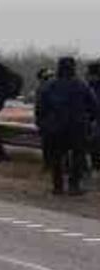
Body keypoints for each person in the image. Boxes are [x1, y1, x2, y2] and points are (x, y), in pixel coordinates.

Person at [36, 57, 98, 196]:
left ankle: (57, 186)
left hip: (55, 127)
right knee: (77, 155)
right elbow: (94, 106)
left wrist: (43, 124)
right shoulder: (81, 85)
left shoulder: (49, 85)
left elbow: (40, 108)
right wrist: (89, 121)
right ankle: (73, 186)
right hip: (77, 126)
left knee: (56, 156)